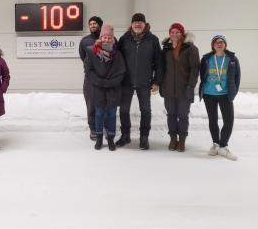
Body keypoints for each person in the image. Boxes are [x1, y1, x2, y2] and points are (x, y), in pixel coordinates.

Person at [116, 13, 162, 150]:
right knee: (123, 110)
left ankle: (144, 137)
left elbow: (159, 63)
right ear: (131, 24)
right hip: (126, 81)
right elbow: (118, 60)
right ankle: (125, 135)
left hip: (144, 81)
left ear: (145, 24)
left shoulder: (153, 39)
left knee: (146, 110)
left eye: (140, 22)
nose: (137, 24)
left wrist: (156, 81)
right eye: (135, 22)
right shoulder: (124, 39)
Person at [199, 35, 241, 161]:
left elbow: (237, 77)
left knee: (229, 120)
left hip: (225, 94)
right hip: (209, 94)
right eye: (217, 42)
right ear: (213, 45)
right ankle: (215, 144)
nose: (219, 44)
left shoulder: (232, 59)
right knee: (213, 120)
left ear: (225, 44)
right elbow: (202, 75)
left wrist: (233, 91)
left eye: (222, 42)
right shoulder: (206, 58)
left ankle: (223, 146)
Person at [160, 23, 200, 152]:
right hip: (169, 89)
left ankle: (182, 140)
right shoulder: (166, 48)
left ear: (182, 34)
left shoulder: (190, 48)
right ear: (169, 34)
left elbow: (195, 69)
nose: (174, 34)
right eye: (172, 32)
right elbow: (162, 68)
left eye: (177, 32)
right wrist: (161, 85)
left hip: (184, 89)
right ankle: (173, 138)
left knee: (183, 115)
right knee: (171, 114)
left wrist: (191, 86)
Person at [85, 25, 126, 151]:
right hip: (98, 89)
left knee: (112, 115)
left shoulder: (118, 54)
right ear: (100, 38)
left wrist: (110, 83)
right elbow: (89, 70)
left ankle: (111, 138)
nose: (107, 39)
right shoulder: (91, 52)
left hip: (113, 90)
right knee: (99, 114)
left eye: (109, 37)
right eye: (104, 37)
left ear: (112, 39)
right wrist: (101, 82)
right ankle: (99, 138)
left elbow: (121, 72)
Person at [79, 16, 103, 140]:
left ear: (100, 25)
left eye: (95, 23)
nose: (93, 25)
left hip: (105, 78)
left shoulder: (109, 38)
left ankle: (103, 126)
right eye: (91, 24)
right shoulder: (84, 41)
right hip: (90, 79)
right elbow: (83, 57)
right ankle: (93, 128)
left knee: (105, 103)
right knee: (91, 104)